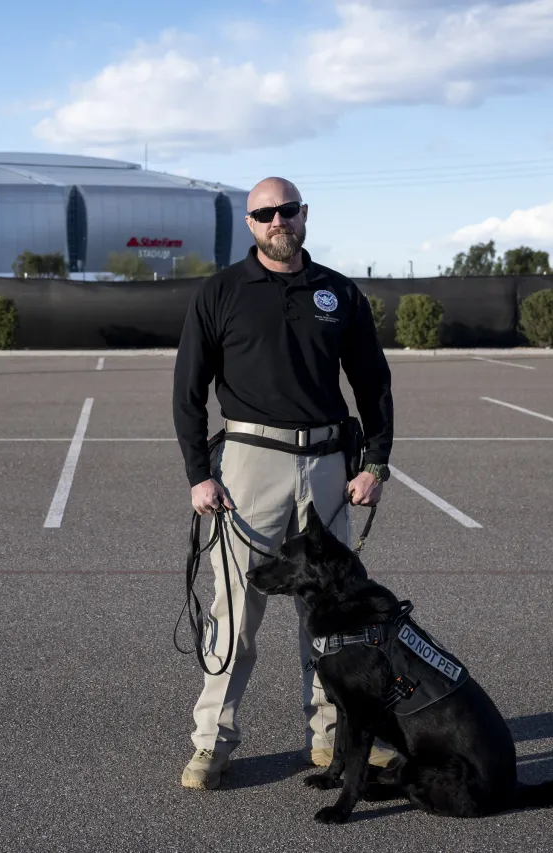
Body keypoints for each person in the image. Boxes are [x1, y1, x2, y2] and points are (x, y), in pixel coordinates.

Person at [172, 176, 395, 790]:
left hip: (326, 465)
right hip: (248, 462)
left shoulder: (337, 292)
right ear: (250, 223)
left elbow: (372, 382)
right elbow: (187, 391)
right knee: (237, 611)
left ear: (304, 216)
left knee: (328, 611)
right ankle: (211, 745)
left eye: (287, 211)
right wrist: (198, 475)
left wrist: (374, 463)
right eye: (265, 213)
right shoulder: (221, 292)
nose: (278, 221)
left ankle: (327, 739)